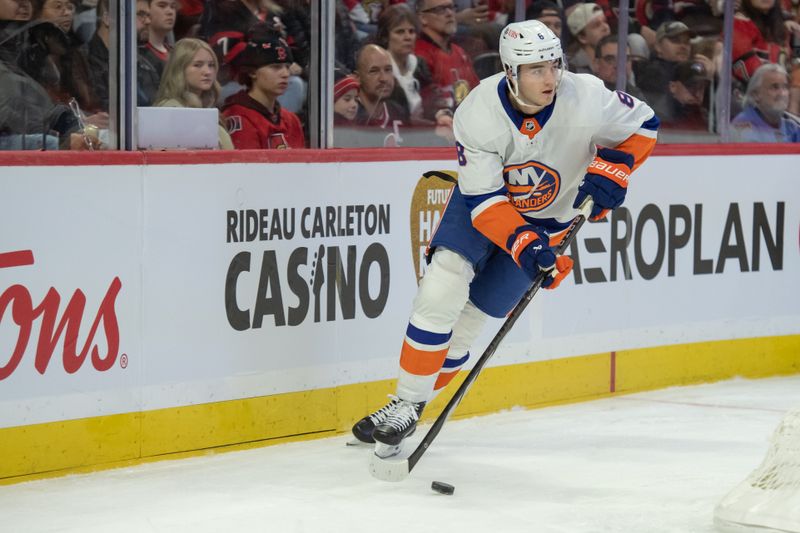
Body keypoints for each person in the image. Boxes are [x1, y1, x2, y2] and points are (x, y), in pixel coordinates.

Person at [351, 19, 658, 450]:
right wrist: (523, 243)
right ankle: (404, 403)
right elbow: (486, 203)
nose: (550, 78)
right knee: (443, 284)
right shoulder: (477, 112)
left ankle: (413, 407)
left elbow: (645, 124)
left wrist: (617, 167)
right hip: (483, 206)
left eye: (553, 65)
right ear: (510, 72)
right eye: (536, 69)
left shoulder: (587, 95)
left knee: (471, 323)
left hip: (549, 222)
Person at [221, 23, 305, 149]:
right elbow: (248, 167)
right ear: (252, 72)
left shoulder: (291, 120)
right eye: (275, 67)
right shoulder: (238, 117)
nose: (285, 74)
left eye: (287, 67)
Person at [154, 38, 234, 149]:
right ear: (179, 69)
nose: (208, 72)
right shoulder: (170, 109)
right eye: (198, 65)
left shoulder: (207, 108)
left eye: (211, 65)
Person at [414, 0, 480, 115]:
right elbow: (429, 109)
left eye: (451, 7)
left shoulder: (460, 52)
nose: (449, 13)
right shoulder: (418, 56)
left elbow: (478, 94)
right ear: (422, 18)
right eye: (440, 10)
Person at [731, 63, 800, 142]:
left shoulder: (792, 126)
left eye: (785, 87)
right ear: (756, 94)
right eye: (775, 87)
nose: (782, 94)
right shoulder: (741, 126)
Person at [591, 34, 646, 101]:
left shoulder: (637, 97)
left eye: (625, 59)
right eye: (610, 59)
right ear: (596, 64)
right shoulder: (587, 94)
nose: (618, 65)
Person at [566, 3, 611, 74]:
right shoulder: (572, 68)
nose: (605, 27)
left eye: (605, 21)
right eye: (597, 25)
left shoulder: (617, 58)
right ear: (582, 37)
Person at [141, 0, 177, 79]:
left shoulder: (176, 52)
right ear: (147, 9)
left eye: (173, 7)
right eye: (162, 6)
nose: (170, 12)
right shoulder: (139, 54)